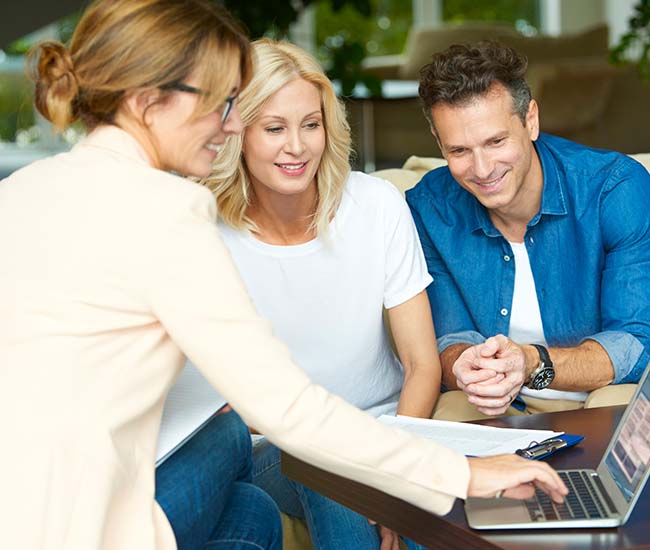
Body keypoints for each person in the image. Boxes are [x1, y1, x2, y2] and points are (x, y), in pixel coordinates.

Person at [0, 2, 567, 547]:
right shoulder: (166, 210)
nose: (227, 128)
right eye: (223, 106)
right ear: (151, 102)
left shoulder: (18, 192)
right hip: (74, 525)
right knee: (277, 455)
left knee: (248, 513)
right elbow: (288, 409)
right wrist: (462, 475)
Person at [203, 37, 439, 550]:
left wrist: (393, 475)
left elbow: (422, 365)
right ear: (237, 133)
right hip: (277, 450)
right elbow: (220, 405)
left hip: (385, 433)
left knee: (417, 512)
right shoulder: (206, 235)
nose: (297, 146)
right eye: (274, 128)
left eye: (311, 124)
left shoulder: (376, 206)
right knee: (326, 466)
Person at [406, 41, 650, 423]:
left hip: (605, 389)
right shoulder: (428, 207)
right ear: (439, 143)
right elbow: (450, 336)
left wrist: (532, 362)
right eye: (459, 151)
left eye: (496, 141)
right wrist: (465, 365)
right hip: (502, 399)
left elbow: (636, 342)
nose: (483, 169)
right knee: (452, 415)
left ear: (530, 120)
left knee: (618, 414)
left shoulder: (613, 188)